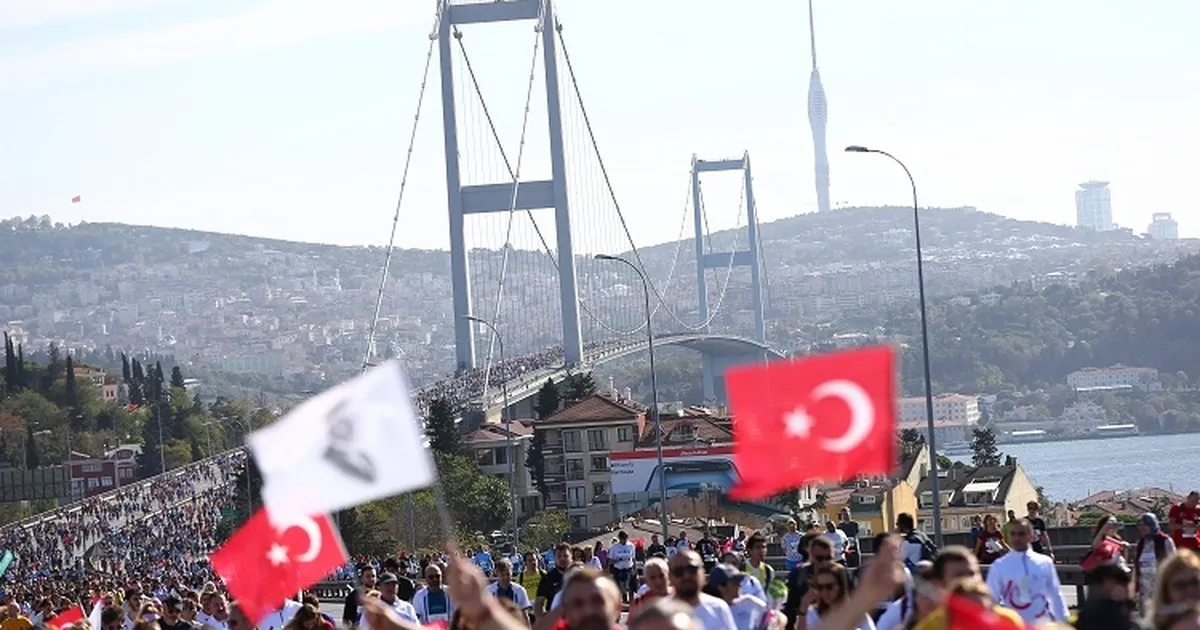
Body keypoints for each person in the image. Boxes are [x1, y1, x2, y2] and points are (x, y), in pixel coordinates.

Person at [985, 517, 1068, 625]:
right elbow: (991, 599)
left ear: (1031, 535)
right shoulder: (999, 566)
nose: (1016, 538)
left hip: (1041, 624)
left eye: (1021, 534)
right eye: (1013, 534)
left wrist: (1063, 622)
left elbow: (1055, 594)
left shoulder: (1044, 562)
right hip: (1014, 626)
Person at [666, 551, 736, 630]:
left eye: (692, 569)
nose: (686, 575)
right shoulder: (660, 613)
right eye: (678, 571)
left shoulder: (718, 608)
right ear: (670, 576)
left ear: (703, 572)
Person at [1136, 512, 1177, 611]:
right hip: (1145, 590)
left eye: (1144, 525)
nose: (1141, 528)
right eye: (1140, 525)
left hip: (1161, 588)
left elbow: (1174, 563)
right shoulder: (1141, 543)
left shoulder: (1165, 541)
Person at [534, 543, 571, 616]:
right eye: (559, 556)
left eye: (565, 556)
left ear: (571, 556)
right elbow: (539, 604)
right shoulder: (547, 578)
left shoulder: (579, 576)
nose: (562, 559)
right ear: (554, 558)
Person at [608, 531, 637, 603]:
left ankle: (631, 603)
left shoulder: (631, 546)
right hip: (618, 570)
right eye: (623, 539)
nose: (624, 540)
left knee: (631, 587)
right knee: (620, 588)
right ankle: (622, 601)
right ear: (619, 538)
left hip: (629, 568)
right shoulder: (614, 547)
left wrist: (635, 570)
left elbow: (633, 558)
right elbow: (610, 561)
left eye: (626, 538)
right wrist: (619, 560)